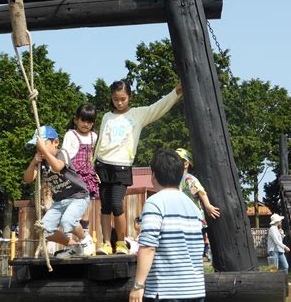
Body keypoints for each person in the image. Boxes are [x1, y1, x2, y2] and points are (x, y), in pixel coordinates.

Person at [94, 79, 182, 255]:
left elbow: (157, 107)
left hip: (122, 166)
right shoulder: (107, 117)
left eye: (123, 99)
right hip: (103, 164)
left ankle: (120, 241)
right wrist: (92, 166)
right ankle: (105, 242)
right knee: (105, 206)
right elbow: (100, 143)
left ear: (130, 97)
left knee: (117, 204)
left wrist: (176, 92)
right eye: (115, 99)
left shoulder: (137, 114)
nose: (119, 103)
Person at [129, 148, 205, 302]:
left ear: (154, 175)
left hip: (165, 290)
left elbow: (148, 247)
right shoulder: (192, 206)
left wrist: (138, 285)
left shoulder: (155, 203)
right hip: (195, 289)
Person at [23, 125, 94, 258]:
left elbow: (57, 167)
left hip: (78, 196)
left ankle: (85, 239)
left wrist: (45, 151)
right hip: (60, 200)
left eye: (42, 144)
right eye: (37, 146)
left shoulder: (62, 153)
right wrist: (33, 163)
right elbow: (27, 179)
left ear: (55, 142)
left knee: (67, 222)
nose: (39, 148)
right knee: (44, 229)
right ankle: (74, 246)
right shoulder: (41, 162)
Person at [175, 148, 220, 260]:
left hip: (194, 218)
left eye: (176, 160)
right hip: (184, 217)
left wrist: (208, 205)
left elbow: (200, 192)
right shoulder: (177, 180)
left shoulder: (189, 179)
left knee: (194, 245)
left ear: (185, 164)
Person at [62, 104, 99, 236]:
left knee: (85, 208)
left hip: (88, 176)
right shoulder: (71, 135)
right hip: (73, 176)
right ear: (76, 119)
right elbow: (64, 155)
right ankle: (72, 240)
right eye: (83, 120)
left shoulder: (94, 136)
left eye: (89, 121)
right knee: (72, 209)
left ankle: (84, 236)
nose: (86, 124)